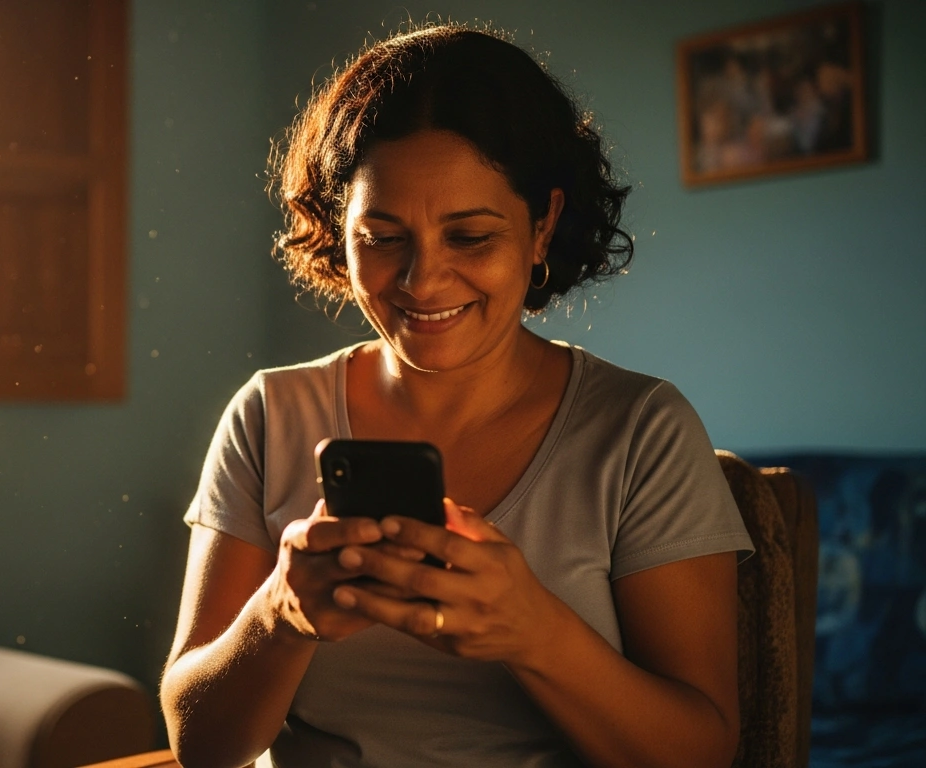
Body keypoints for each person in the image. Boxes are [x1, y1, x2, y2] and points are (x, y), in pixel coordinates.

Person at [161, 24, 754, 768]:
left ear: (542, 229)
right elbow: (199, 744)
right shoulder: (268, 416)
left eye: (470, 237)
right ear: (338, 229)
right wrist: (280, 618)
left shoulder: (640, 431)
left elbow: (702, 753)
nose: (420, 282)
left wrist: (535, 633)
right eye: (382, 237)